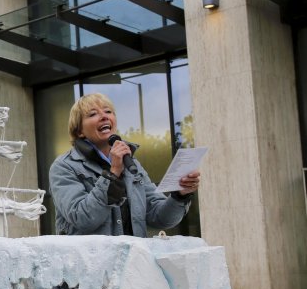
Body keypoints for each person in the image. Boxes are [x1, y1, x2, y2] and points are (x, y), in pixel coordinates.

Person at [48, 92, 200, 237]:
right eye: (93, 114)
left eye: (108, 111)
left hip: (132, 261)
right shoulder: (64, 166)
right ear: (79, 131)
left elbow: (160, 218)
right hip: (93, 263)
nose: (104, 117)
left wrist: (180, 195)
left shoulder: (131, 163)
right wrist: (113, 174)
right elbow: (82, 218)